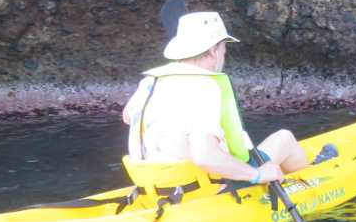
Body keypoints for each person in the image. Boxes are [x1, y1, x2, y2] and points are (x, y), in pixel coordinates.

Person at [123, 11, 319, 185]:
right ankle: (311, 184)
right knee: (284, 138)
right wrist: (257, 174)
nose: (225, 53)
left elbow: (128, 116)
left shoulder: (151, 81)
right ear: (214, 50)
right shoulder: (204, 86)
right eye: (224, 47)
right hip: (206, 185)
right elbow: (205, 156)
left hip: (158, 183)